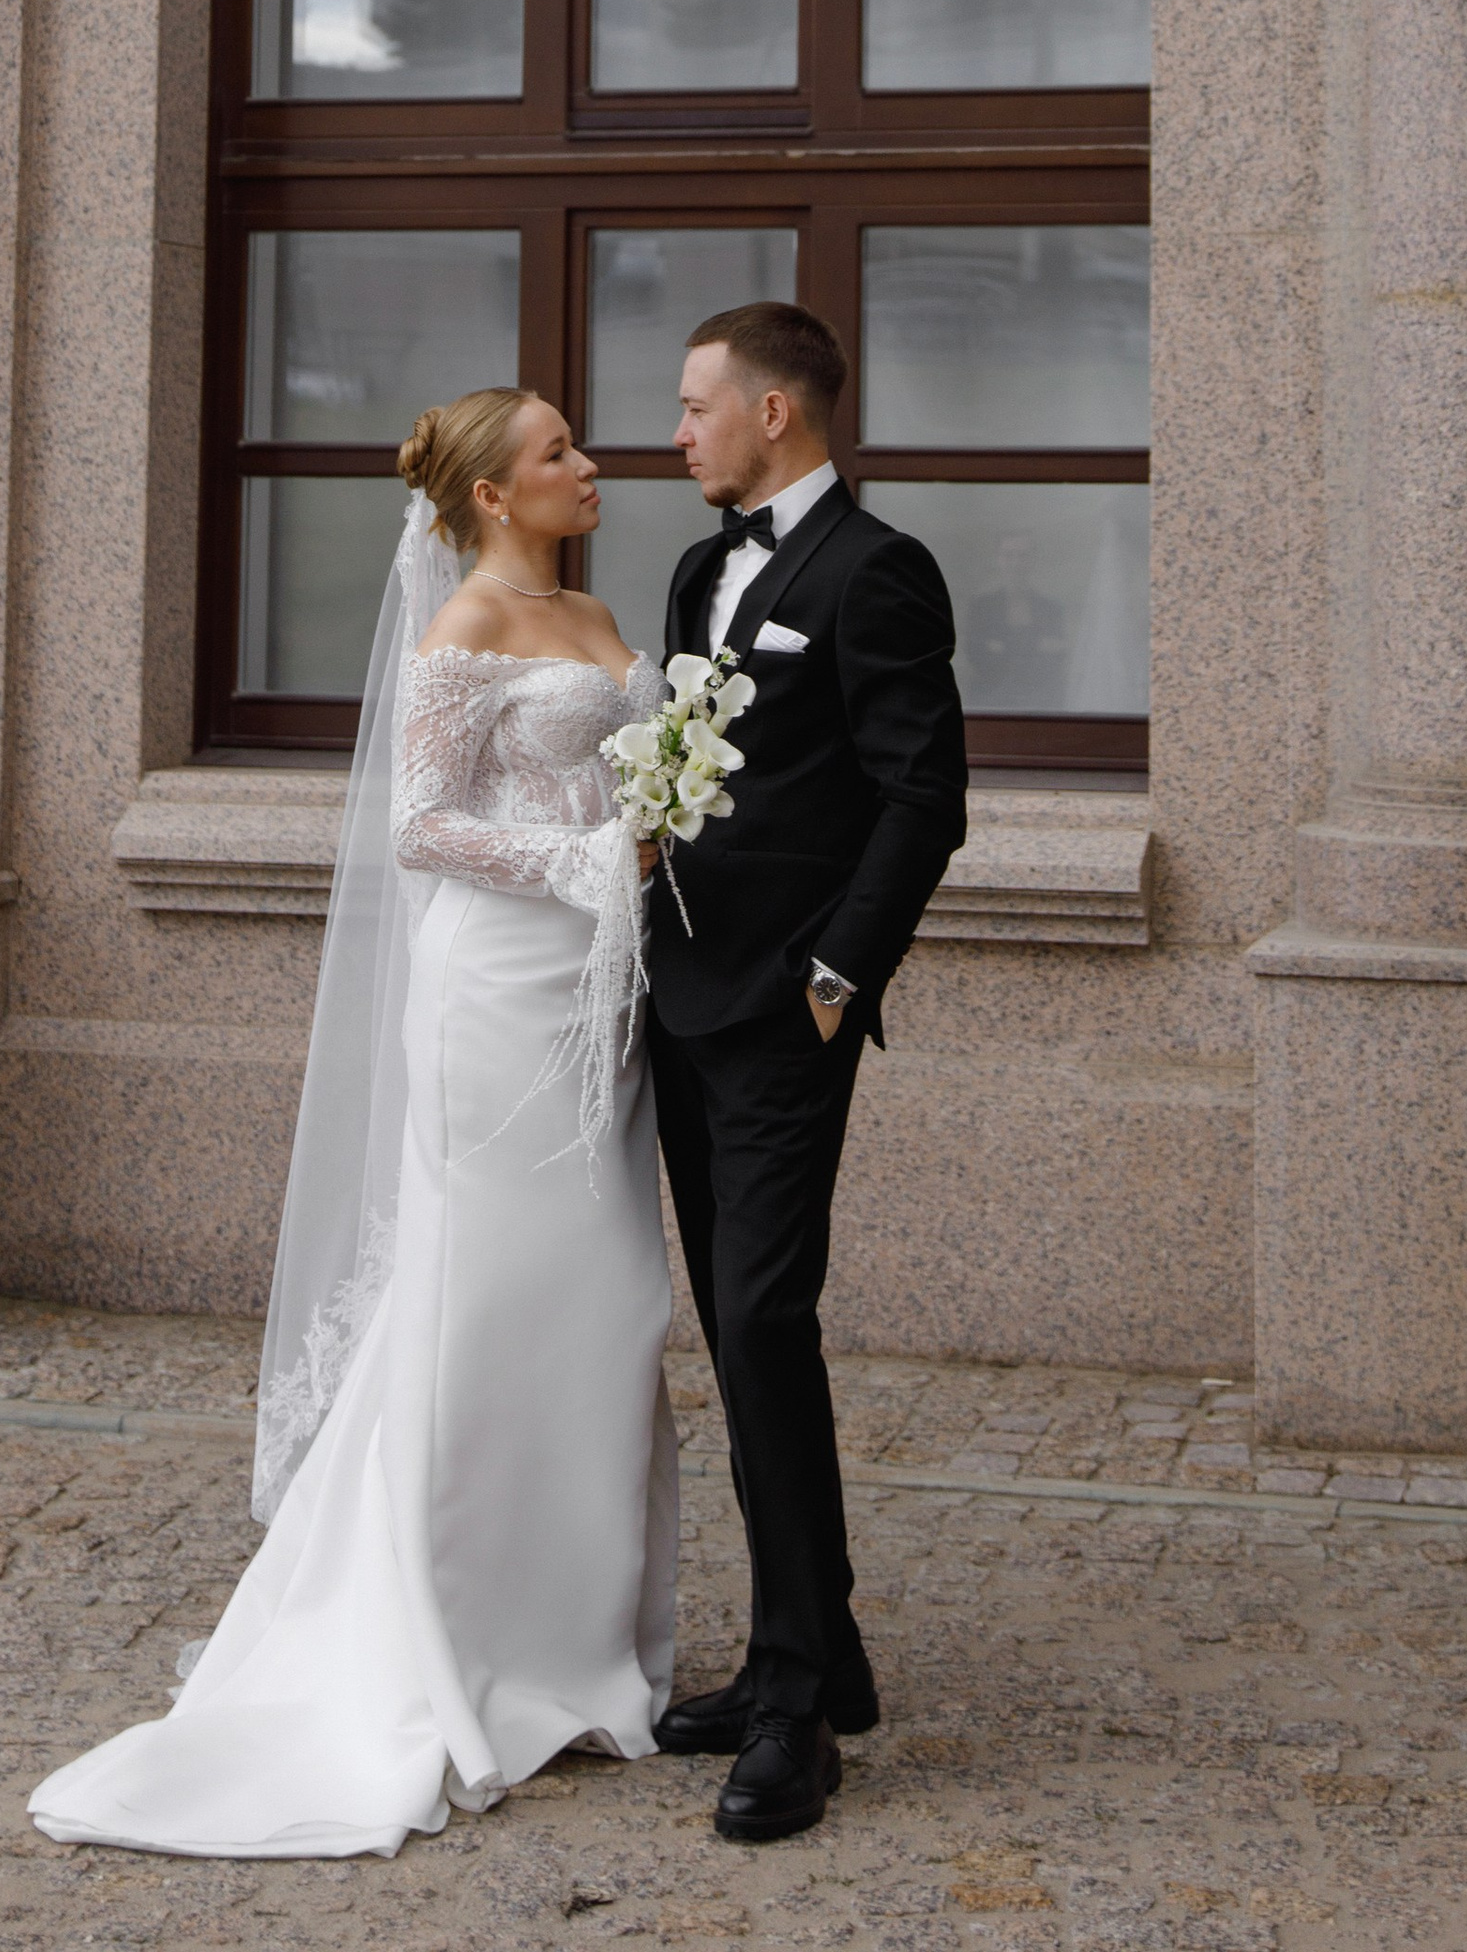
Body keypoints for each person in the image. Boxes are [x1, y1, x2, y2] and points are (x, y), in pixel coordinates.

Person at [28, 388, 674, 1861]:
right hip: (495, 996)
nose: (590, 466)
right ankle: (455, 1637)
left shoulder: (597, 608)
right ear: (497, 496)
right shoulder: (460, 634)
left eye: (579, 445)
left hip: (598, 992)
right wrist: (587, 855)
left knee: (610, 1297)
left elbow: (616, 778)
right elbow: (419, 825)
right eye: (559, 452)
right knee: (486, 1301)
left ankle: (580, 1637)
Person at [644, 301, 967, 1844]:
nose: (678, 431)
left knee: (767, 1317)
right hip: (677, 1006)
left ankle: (789, 1715)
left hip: (787, 1016)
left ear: (775, 410)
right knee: (734, 1322)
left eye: (698, 406)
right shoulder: (699, 567)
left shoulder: (875, 570)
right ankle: (820, 1652)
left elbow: (926, 795)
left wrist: (840, 977)